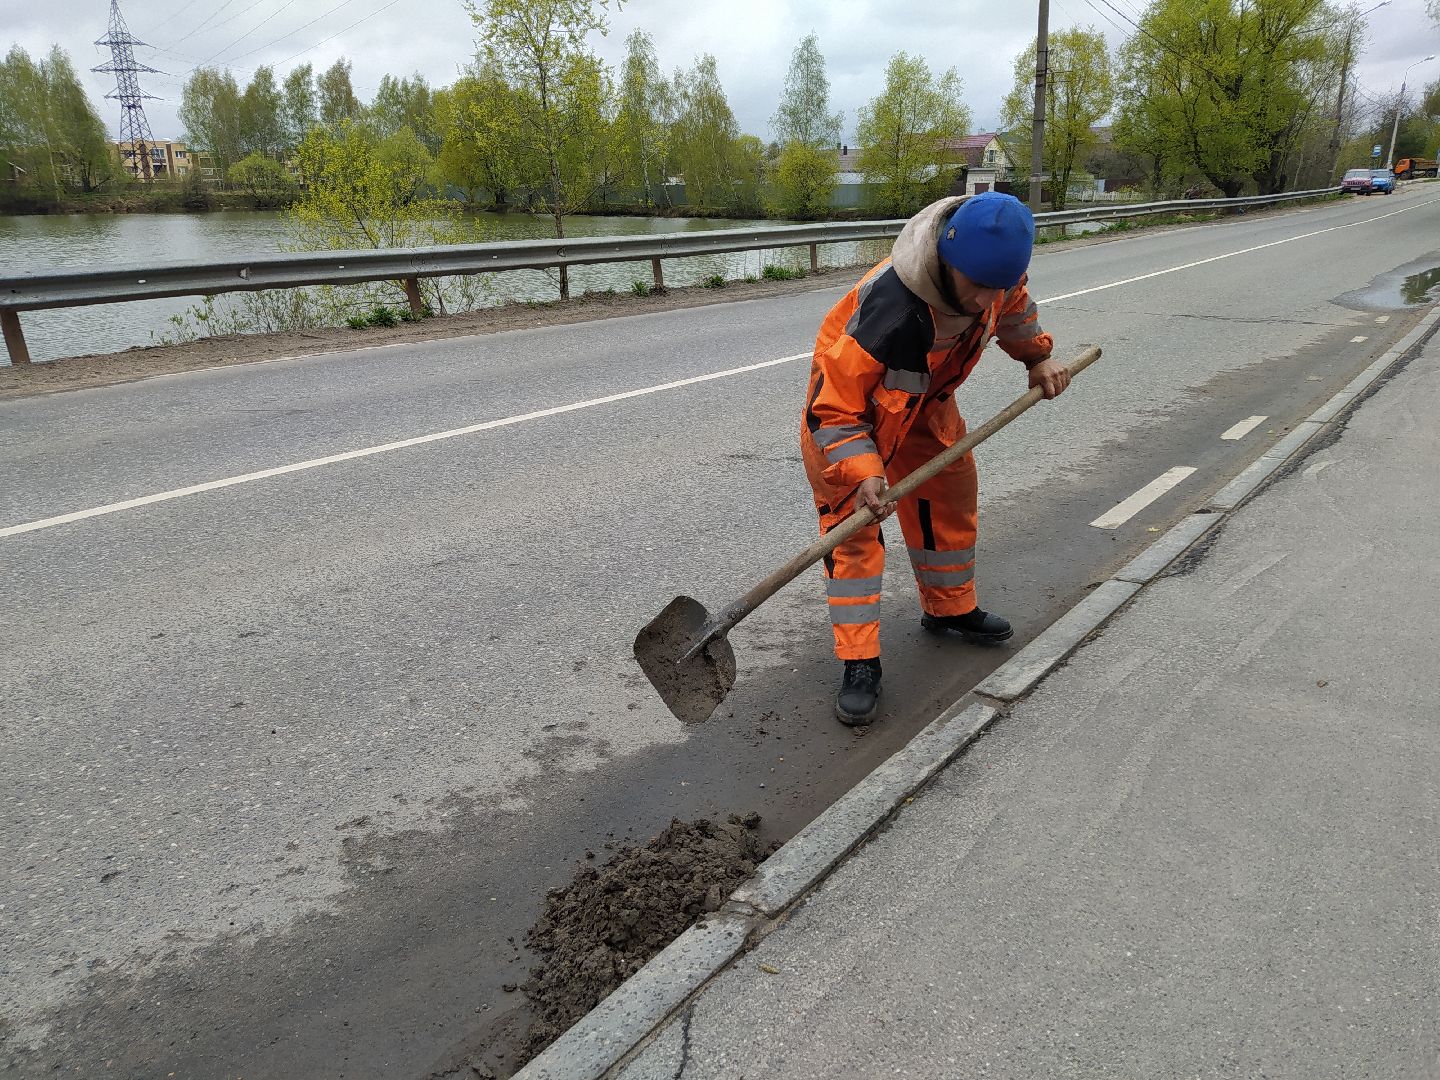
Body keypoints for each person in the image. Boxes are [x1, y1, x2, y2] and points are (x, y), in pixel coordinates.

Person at [800, 191, 1070, 725]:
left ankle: (950, 608)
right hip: (847, 422)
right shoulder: (890, 308)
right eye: (976, 286)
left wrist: (1038, 359)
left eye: (996, 286)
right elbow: (832, 410)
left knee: (947, 499)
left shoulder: (997, 278)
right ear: (948, 260)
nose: (981, 300)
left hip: (925, 406)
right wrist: (864, 469)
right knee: (853, 532)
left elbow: (1015, 314)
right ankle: (860, 662)